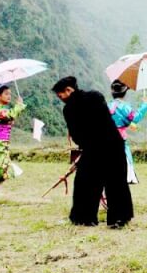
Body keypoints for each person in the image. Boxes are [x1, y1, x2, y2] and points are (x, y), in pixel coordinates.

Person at [51, 76, 133, 228]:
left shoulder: (68, 109)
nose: (60, 98)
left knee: (86, 184)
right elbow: (106, 121)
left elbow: (76, 134)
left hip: (92, 148)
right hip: (113, 144)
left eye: (60, 94)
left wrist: (85, 145)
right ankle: (119, 218)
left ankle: (85, 218)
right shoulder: (96, 96)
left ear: (69, 90)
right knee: (116, 183)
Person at [108, 79, 147, 184]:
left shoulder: (108, 105)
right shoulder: (124, 107)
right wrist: (144, 105)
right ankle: (127, 177)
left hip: (107, 134)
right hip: (120, 135)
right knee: (125, 155)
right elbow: (134, 118)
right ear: (124, 93)